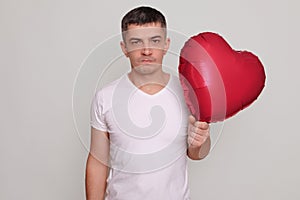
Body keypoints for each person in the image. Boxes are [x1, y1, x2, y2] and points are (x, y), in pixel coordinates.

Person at [85, 6, 211, 200]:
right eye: (136, 42)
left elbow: (196, 153)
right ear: (124, 48)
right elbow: (97, 160)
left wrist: (200, 142)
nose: (146, 50)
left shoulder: (189, 94)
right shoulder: (105, 97)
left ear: (166, 44)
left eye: (155, 41)